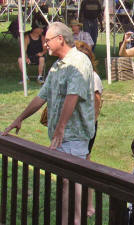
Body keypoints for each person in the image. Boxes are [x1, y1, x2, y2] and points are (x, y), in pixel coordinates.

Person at [3, 22, 95, 225]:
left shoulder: (78, 62)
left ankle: (74, 220)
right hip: (60, 135)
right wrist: (19, 118)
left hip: (74, 134)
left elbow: (73, 96)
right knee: (65, 181)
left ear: (60, 39)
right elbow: (41, 96)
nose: (45, 45)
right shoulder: (56, 65)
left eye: (48, 40)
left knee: (71, 182)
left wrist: (61, 127)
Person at [74, 40, 103, 217]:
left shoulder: (93, 78)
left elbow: (96, 106)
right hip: (73, 127)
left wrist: (87, 128)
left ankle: (89, 205)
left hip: (86, 127)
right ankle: (75, 201)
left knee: (85, 163)